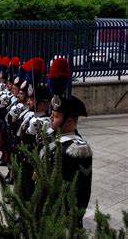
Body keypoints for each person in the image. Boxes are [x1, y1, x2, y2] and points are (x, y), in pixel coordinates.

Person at [46, 95, 92, 227]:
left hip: (64, 213)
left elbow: (82, 189)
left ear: (69, 121)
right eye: (52, 114)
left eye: (56, 116)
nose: (51, 118)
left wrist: (73, 216)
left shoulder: (77, 149)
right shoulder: (54, 138)